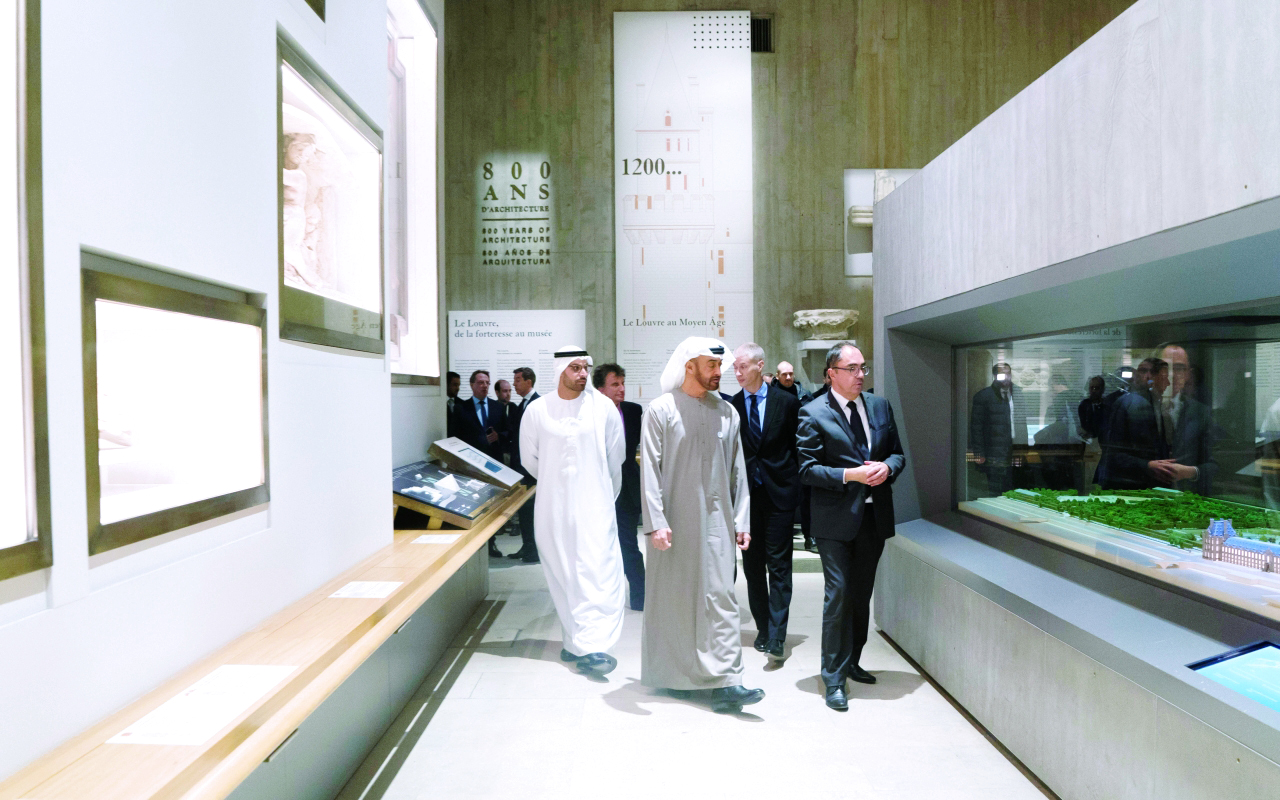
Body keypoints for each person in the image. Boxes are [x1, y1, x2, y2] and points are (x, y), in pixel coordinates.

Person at [640, 337, 764, 713]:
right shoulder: (661, 409)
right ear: (689, 365)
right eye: (711, 365)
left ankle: (728, 681)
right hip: (673, 524)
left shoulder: (727, 412)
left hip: (718, 523)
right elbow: (650, 471)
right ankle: (675, 677)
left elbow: (738, 471)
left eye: (720, 365)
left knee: (722, 598)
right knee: (675, 601)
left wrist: (741, 520)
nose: (719, 372)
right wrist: (655, 522)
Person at [797, 341, 905, 712]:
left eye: (863, 368)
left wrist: (887, 467)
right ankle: (833, 678)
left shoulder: (879, 406)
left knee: (861, 594)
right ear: (832, 374)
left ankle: (852, 660)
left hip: (874, 518)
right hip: (834, 521)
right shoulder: (812, 412)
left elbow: (897, 453)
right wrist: (850, 474)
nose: (860, 375)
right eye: (852, 369)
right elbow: (806, 470)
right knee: (839, 594)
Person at [519, 346, 627, 676]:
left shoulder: (603, 408)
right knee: (564, 574)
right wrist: (559, 483)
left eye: (585, 368)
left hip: (595, 505)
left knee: (598, 572)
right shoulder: (537, 410)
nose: (582, 374)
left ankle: (594, 646)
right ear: (560, 370)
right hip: (553, 508)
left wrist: (598, 493)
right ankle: (575, 641)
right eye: (575, 368)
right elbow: (530, 460)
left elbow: (616, 457)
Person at [730, 343, 801, 661]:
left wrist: (794, 486)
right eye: (735, 367)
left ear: (760, 365)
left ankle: (777, 635)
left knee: (780, 566)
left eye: (743, 366)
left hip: (779, 494)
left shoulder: (786, 402)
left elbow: (797, 448)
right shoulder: (732, 406)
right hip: (746, 499)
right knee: (752, 567)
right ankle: (762, 627)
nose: (737, 372)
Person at [594, 363, 646, 611]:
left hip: (627, 489)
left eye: (623, 383)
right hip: (598, 488)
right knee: (600, 547)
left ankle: (640, 595)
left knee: (628, 543)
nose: (621, 388)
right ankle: (602, 597)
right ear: (600, 389)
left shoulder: (633, 411)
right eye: (615, 384)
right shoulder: (590, 414)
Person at [454, 370, 509, 558]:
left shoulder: (497, 407)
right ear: (472, 385)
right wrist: (478, 440)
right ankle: (474, 545)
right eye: (480, 382)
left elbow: (508, 432)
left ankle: (491, 544)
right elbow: (456, 437)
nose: (484, 386)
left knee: (492, 505)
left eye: (487, 382)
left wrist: (498, 436)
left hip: (493, 464)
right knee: (474, 504)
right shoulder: (461, 408)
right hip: (472, 466)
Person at [1100, 357, 1170, 490]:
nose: (1168, 383)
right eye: (1164, 377)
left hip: (1135, 482)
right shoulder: (1137, 404)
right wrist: (1147, 465)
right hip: (1130, 484)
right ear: (1150, 377)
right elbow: (1117, 453)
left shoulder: (1149, 402)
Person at [775, 360, 817, 551]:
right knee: (783, 499)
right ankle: (782, 539)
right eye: (784, 374)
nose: (788, 377)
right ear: (777, 376)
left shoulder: (804, 395)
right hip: (782, 454)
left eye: (791, 373)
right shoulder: (771, 396)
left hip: (803, 452)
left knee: (807, 497)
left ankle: (810, 536)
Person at [968, 362, 1027, 495]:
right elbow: (976, 427)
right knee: (995, 489)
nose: (1006, 377)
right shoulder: (983, 396)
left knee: (1014, 488)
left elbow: (1022, 422)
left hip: (1014, 448)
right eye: (1002, 374)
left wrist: (1023, 448)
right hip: (993, 451)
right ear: (995, 376)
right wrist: (979, 453)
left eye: (1008, 374)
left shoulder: (1017, 393)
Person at [508, 367, 540, 563]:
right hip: (521, 468)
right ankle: (527, 545)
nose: (514, 384)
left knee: (531, 511)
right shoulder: (521, 405)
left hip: (532, 470)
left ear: (529, 382)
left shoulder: (537, 404)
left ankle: (534, 550)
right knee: (525, 511)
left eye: (518, 380)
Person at [445, 371, 461, 438]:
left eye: (458, 385)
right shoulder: (439, 404)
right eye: (455, 385)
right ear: (446, 384)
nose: (458, 388)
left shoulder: (462, 404)